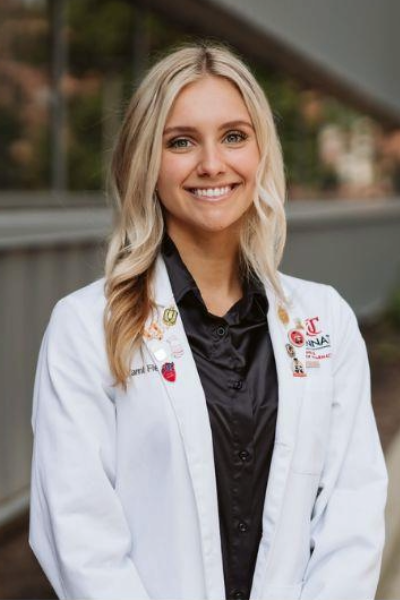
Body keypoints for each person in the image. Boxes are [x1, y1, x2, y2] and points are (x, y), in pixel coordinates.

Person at [29, 42, 388, 600]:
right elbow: (79, 535)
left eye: (234, 136)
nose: (212, 164)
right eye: (181, 142)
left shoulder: (325, 321)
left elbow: (352, 510)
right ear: (147, 161)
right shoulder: (86, 327)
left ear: (261, 152)